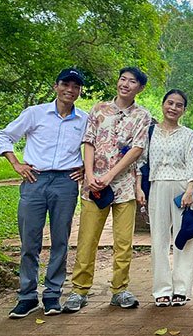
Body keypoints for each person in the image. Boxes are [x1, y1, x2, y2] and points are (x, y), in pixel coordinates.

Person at [0, 69, 88, 319]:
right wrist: (16, 164)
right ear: (55, 86)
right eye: (66, 84)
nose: (70, 90)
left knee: (60, 240)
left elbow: (95, 146)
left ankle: (52, 295)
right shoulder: (35, 113)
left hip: (65, 182)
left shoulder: (84, 119)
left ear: (80, 91)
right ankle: (26, 296)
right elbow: (5, 135)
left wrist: (85, 167)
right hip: (34, 180)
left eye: (76, 86)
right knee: (30, 240)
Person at [63, 67, 151, 312]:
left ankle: (120, 290)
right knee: (87, 239)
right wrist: (90, 175)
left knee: (123, 242)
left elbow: (137, 149)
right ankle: (79, 290)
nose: (125, 84)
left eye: (132, 81)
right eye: (122, 79)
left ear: (140, 88)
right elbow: (89, 141)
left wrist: (111, 175)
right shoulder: (99, 109)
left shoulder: (142, 116)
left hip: (123, 187)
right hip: (94, 186)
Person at [135, 89, 193, 307]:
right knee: (159, 240)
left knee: (184, 238)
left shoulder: (189, 135)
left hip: (183, 187)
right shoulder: (149, 132)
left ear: (184, 109)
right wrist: (139, 187)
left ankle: (181, 288)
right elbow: (141, 162)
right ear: (163, 105)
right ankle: (162, 289)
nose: (173, 108)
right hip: (157, 186)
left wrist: (190, 190)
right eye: (170, 103)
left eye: (179, 105)